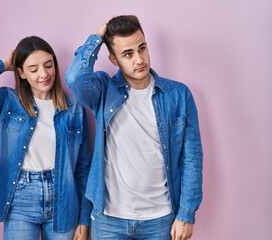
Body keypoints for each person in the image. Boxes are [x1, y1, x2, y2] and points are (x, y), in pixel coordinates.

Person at [65, 15, 203, 240]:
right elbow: (74, 78)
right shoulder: (103, 90)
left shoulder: (178, 95)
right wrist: (99, 34)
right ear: (113, 59)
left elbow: (191, 158)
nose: (139, 59)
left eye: (142, 48)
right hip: (108, 218)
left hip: (160, 218)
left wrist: (186, 214)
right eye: (128, 54)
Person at [0, 36, 92, 240]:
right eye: (33, 69)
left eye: (48, 65)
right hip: (21, 199)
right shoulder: (9, 102)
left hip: (64, 200)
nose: (44, 74)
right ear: (21, 73)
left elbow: (83, 169)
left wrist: (84, 220)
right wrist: (3, 64)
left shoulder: (74, 109)